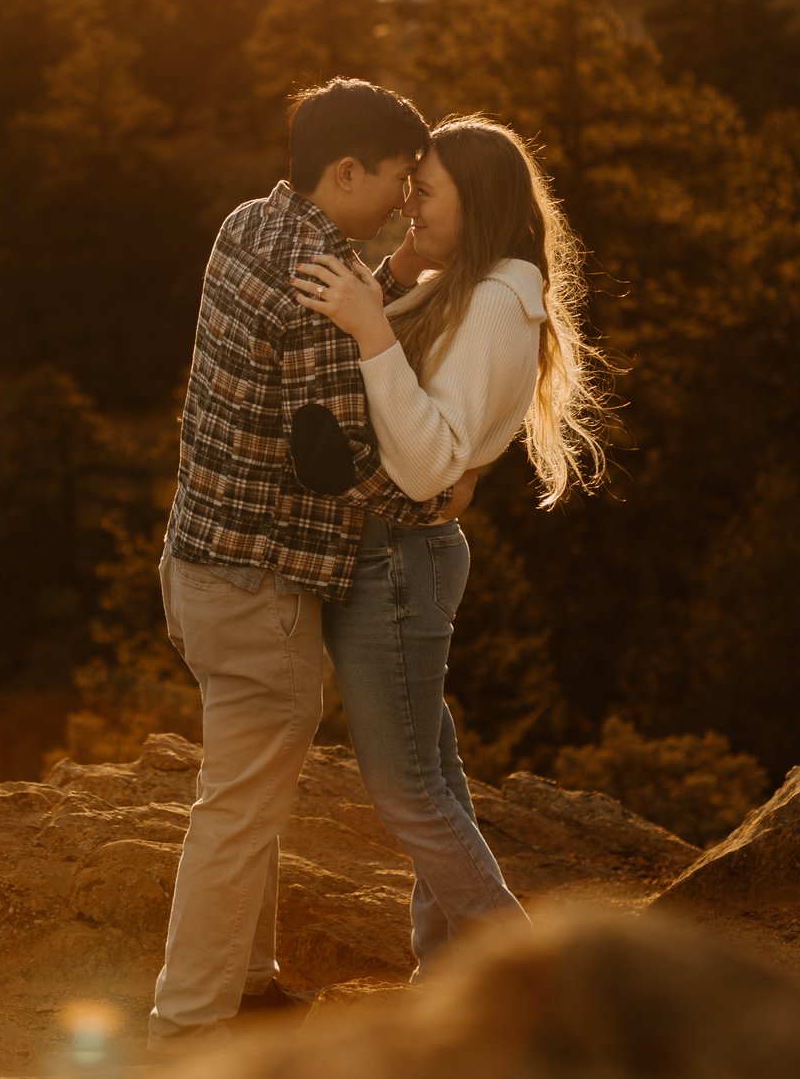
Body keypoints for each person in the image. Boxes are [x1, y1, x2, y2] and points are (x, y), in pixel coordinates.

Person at [149, 77, 454, 1050]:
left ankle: (246, 977)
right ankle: (187, 1022)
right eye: (400, 179)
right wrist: (443, 488)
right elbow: (346, 471)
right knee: (238, 805)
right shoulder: (323, 289)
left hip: (195, 563)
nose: (408, 198)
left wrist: (399, 291)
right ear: (346, 170)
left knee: (252, 789)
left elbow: (312, 344)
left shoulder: (250, 225)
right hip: (260, 588)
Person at [289, 115, 611, 977]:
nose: (408, 203)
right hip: (399, 551)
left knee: (404, 789)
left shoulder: (501, 301)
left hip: (400, 556)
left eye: (425, 191)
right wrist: (387, 291)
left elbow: (429, 458)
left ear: (481, 201)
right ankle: (446, 971)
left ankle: (534, 978)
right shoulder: (469, 285)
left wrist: (371, 328)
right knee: (432, 772)